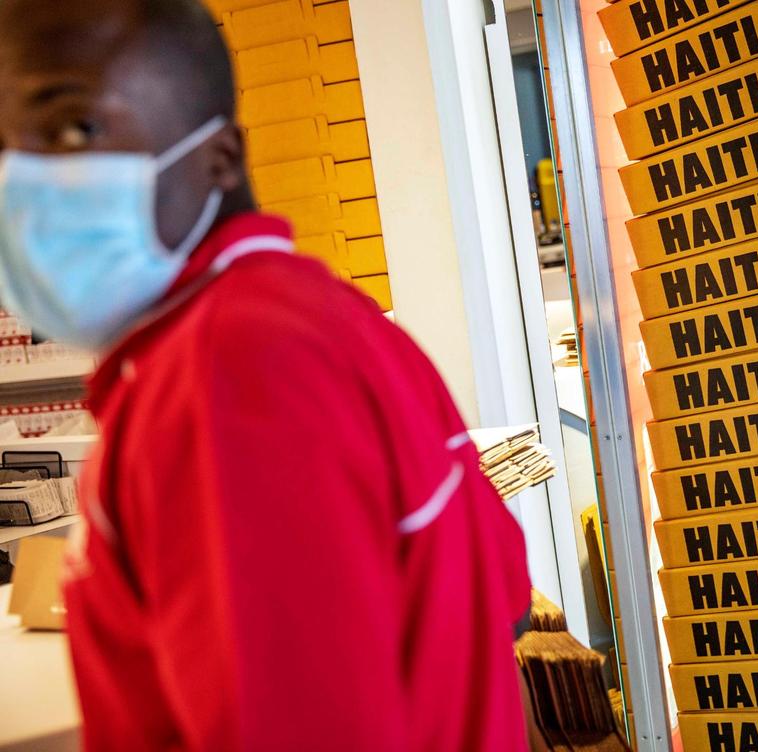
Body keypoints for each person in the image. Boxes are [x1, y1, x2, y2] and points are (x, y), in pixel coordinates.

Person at [0, 1, 533, 750]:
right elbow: (502, 591)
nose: (19, 185)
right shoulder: (321, 316)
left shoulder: (231, 373)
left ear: (220, 158)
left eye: (72, 130)